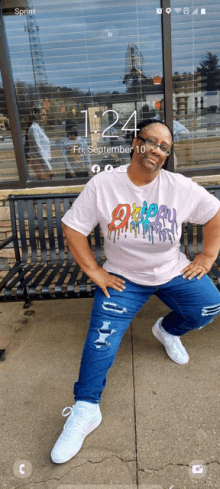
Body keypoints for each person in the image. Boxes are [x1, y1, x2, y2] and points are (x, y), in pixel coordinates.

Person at [51, 118, 220, 464]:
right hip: (122, 279)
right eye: (152, 142)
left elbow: (215, 215)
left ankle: (167, 330)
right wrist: (93, 270)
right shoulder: (104, 185)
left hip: (171, 271)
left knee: (208, 307)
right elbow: (73, 227)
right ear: (134, 142)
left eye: (164, 147)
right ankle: (86, 409)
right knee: (102, 338)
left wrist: (206, 256)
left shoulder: (179, 188)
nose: (157, 150)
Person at [24, 107, 54, 180]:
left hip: (42, 162)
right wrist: (48, 167)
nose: (45, 117)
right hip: (39, 162)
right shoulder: (34, 129)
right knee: (46, 186)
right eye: (43, 115)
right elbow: (38, 150)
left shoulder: (39, 129)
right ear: (37, 115)